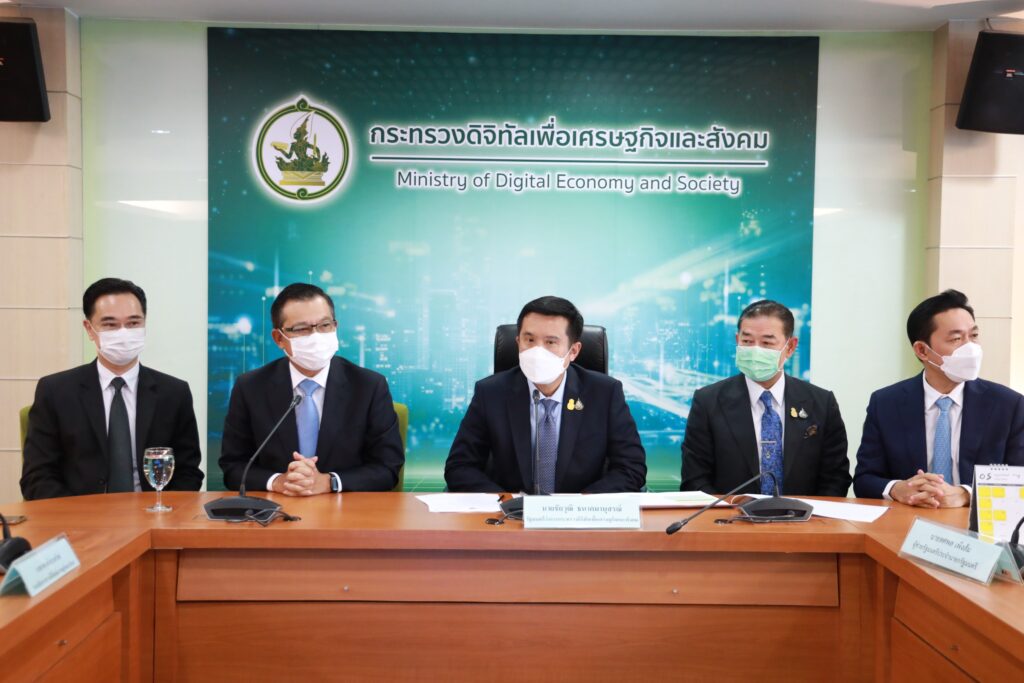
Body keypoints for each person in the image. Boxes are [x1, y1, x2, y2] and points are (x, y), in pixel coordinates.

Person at [21, 278, 204, 500]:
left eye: (133, 323)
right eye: (110, 324)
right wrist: (81, 515)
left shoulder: (174, 393)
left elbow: (188, 472)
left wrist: (160, 511)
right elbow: (37, 477)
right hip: (80, 514)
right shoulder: (56, 392)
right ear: (89, 329)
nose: (123, 333)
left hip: (153, 512)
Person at [445, 296, 646, 493]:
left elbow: (631, 468)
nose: (537, 351)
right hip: (511, 511)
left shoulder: (604, 393)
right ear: (518, 342)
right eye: (529, 340)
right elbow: (460, 467)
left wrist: (582, 505)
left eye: (550, 342)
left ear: (573, 351)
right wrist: (505, 501)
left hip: (579, 511)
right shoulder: (490, 393)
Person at [220, 283, 403, 494]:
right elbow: (233, 467)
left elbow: (387, 468)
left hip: (346, 509)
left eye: (325, 325)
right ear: (279, 338)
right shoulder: (250, 387)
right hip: (276, 507)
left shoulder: (369, 386)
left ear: (335, 326)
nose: (316, 336)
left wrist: (328, 482)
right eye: (302, 329)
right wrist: (278, 482)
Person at [853, 290, 1024, 507]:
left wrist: (966, 494)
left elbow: (1020, 480)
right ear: (922, 350)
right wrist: (897, 489)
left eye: (973, 336)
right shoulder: (886, 403)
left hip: (976, 524)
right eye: (956, 339)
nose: (971, 348)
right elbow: (864, 479)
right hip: (907, 520)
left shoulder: (1008, 405)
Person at [681, 299, 851, 497]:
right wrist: (730, 511)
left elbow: (836, 478)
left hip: (805, 515)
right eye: (747, 341)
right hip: (729, 515)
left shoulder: (821, 403)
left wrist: (810, 514)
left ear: (790, 346)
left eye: (767, 343)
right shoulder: (708, 402)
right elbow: (695, 479)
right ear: (737, 340)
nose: (755, 350)